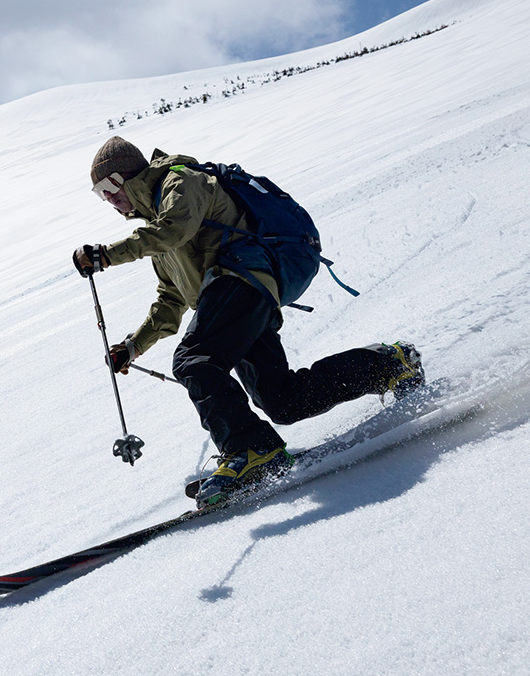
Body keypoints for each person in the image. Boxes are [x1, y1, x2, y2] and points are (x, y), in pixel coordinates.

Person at [73, 136, 424, 508]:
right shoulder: (156, 227)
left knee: (194, 361)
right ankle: (388, 365)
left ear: (129, 176)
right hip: (234, 296)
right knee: (283, 400)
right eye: (100, 194)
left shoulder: (179, 181)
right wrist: (132, 347)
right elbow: (171, 298)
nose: (108, 199)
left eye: (109, 187)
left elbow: (174, 229)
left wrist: (106, 255)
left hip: (241, 278)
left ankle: (251, 449)